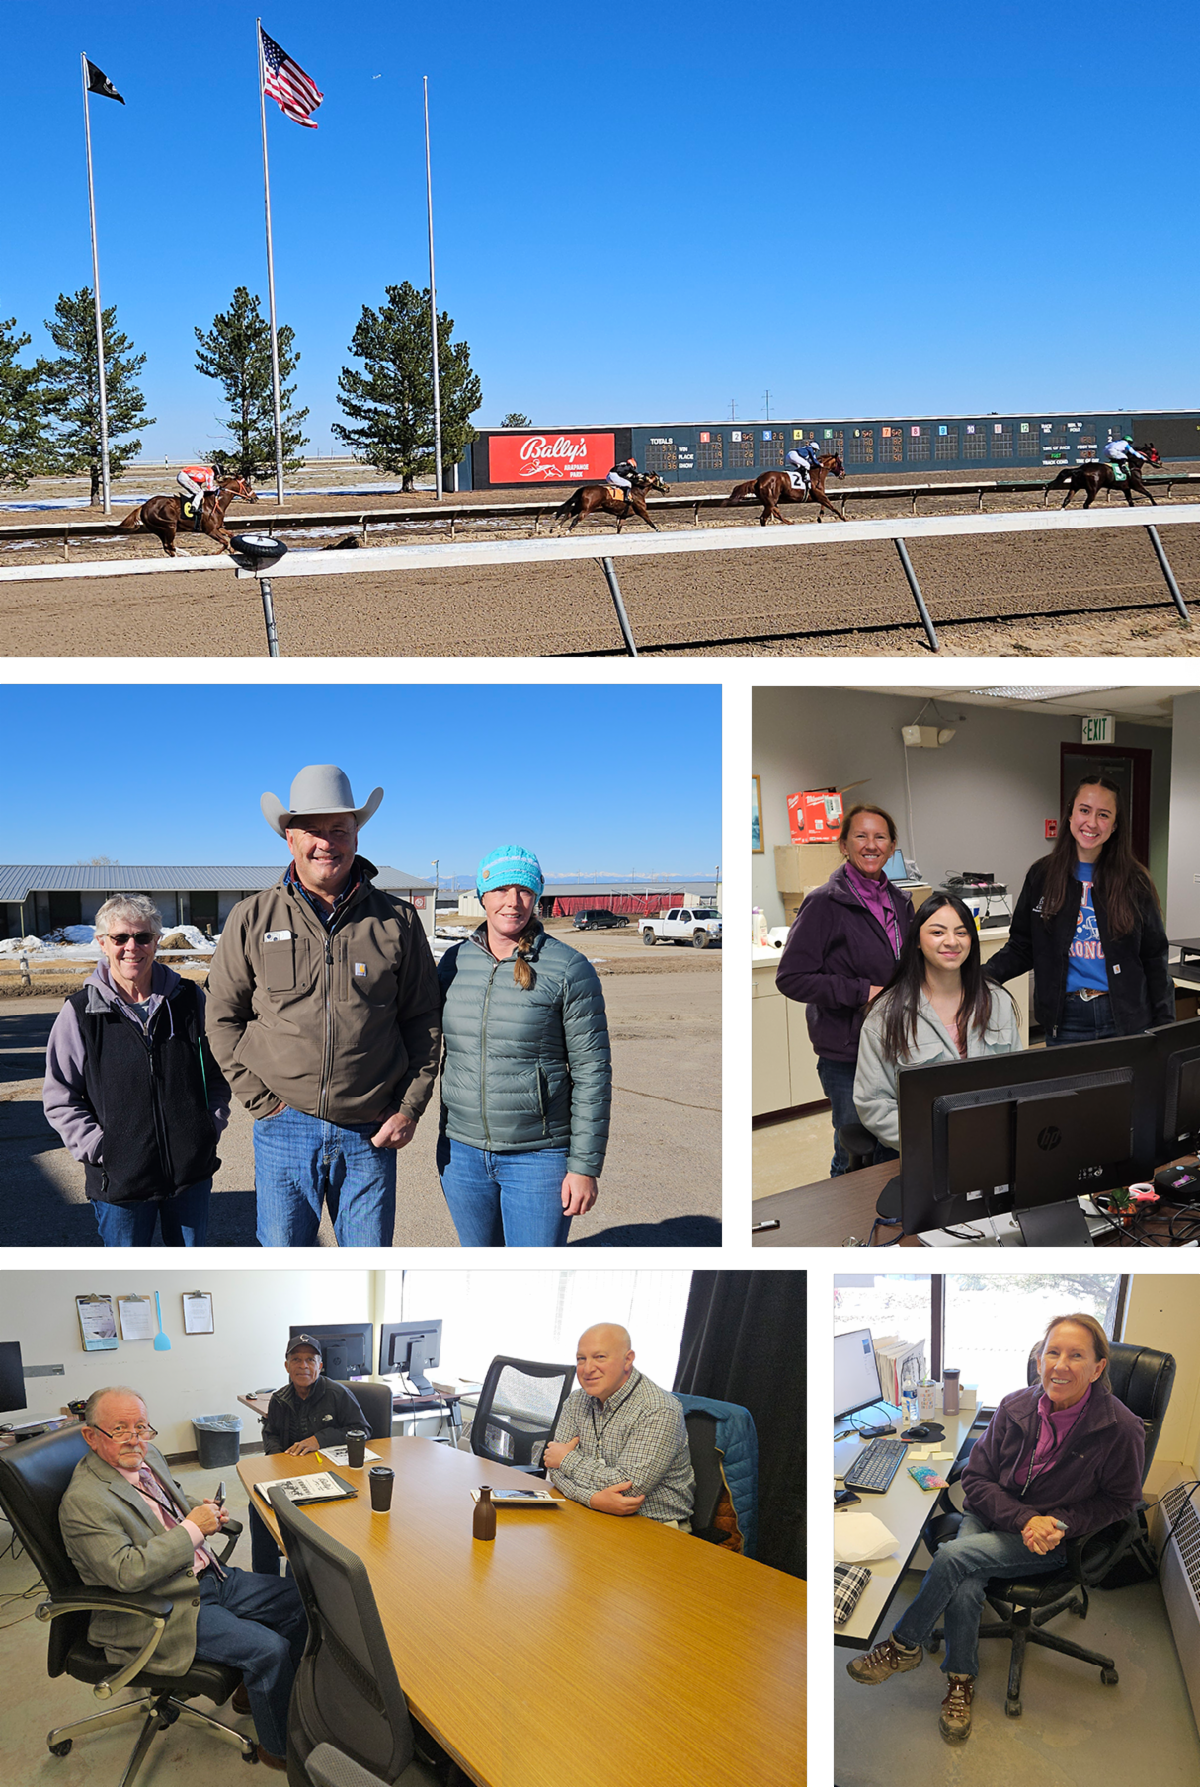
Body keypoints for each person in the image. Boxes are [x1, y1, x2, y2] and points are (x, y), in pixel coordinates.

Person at [845, 1314, 1144, 1744]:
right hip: (998, 1517)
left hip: (1050, 1539)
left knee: (951, 1557)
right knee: (965, 1583)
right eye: (1052, 1352)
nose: (1060, 1365)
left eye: (1076, 1356)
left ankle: (904, 1645)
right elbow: (978, 1479)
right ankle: (960, 1682)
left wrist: (1059, 1524)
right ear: (1038, 1359)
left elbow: (1121, 1501)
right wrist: (1024, 1517)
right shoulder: (1015, 1406)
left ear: (1098, 1369)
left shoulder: (1121, 1429)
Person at [205, 764, 442, 1247]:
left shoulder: (396, 920)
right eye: (313, 831)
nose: (326, 843)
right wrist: (262, 1102)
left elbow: (423, 1020)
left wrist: (409, 1107)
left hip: (370, 1129)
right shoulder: (251, 917)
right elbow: (222, 1017)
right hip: (283, 1125)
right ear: (289, 838)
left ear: (357, 834)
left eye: (339, 829)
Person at [59, 1386, 308, 1770]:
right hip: (159, 1606)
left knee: (303, 1600)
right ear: (91, 1436)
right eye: (120, 1429)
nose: (135, 1439)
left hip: (206, 1575)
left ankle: (255, 1693)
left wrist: (200, 1509)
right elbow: (127, 1572)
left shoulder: (148, 1454)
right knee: (269, 1649)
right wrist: (193, 1530)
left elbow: (172, 1499)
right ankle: (278, 1747)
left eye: (141, 1427)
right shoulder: (85, 1501)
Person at [436, 846, 611, 1246]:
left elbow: (592, 1073)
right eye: (500, 890)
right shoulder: (453, 964)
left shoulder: (568, 968)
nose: (513, 902)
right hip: (461, 1152)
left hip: (538, 1158)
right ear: (481, 895)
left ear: (537, 896)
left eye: (525, 891)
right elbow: (421, 1042)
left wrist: (584, 1166)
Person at [42, 895, 230, 1247]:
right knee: (127, 1289)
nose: (132, 947)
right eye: (120, 938)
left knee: (189, 1288)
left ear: (157, 941)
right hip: (120, 1181)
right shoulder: (81, 1012)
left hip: (190, 1174)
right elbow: (60, 1096)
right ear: (101, 943)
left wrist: (208, 1127)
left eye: (143, 937)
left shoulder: (189, 1000)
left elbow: (218, 1072)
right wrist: (102, 1149)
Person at [776, 804, 915, 1174]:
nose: (871, 845)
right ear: (843, 844)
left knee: (896, 1146)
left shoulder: (901, 902)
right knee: (856, 1149)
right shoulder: (825, 902)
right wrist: (862, 992)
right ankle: (846, 1227)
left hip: (896, 1044)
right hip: (847, 1051)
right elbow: (790, 977)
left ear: (892, 845)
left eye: (880, 836)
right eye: (861, 836)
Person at [984, 775, 1172, 1047]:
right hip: (1066, 1018)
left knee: (1123, 1091)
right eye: (1084, 810)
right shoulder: (1043, 875)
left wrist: (1166, 1027)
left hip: (1125, 1018)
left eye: (1104, 815)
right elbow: (1022, 946)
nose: (1092, 823)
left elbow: (1154, 958)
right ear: (1070, 814)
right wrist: (978, 978)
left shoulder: (1135, 881)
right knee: (1068, 1091)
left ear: (1115, 825)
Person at [853, 892, 1022, 1152]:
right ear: (918, 941)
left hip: (993, 1145)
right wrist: (937, 1140)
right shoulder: (887, 1015)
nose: (951, 942)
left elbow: (1020, 1081)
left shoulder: (996, 1001)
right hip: (924, 1151)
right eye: (937, 932)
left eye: (962, 932)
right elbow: (874, 1105)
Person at [543, 1323, 695, 1527]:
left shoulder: (658, 1409)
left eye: (600, 1357)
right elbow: (555, 1469)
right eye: (581, 1359)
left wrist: (567, 1460)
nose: (587, 1369)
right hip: (589, 1513)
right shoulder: (576, 1401)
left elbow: (628, 1488)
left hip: (654, 1527)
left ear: (628, 1360)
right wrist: (593, 1500)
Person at [247, 1334, 369, 1575]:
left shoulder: (338, 1394)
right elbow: (270, 1433)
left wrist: (319, 1440)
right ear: (287, 1366)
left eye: (310, 1360)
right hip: (290, 1474)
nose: (303, 1365)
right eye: (296, 1359)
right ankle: (265, 1580)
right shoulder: (279, 1399)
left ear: (320, 1366)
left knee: (306, 1523)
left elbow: (362, 1430)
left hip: (330, 1476)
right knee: (257, 1507)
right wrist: (277, 1457)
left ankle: (300, 1581)